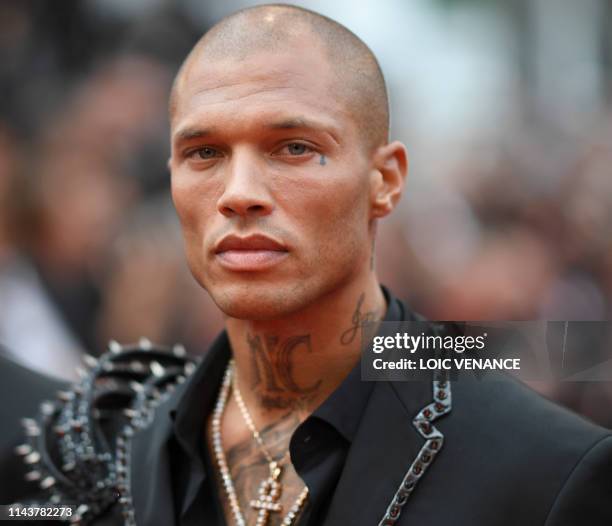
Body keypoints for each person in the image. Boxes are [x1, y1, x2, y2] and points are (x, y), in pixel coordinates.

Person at [10, 4, 612, 525]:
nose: (239, 192)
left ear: (386, 180)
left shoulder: (548, 471)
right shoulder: (104, 454)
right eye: (204, 153)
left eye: (295, 148)